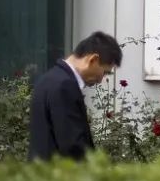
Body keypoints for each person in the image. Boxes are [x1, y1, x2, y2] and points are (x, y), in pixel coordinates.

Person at [28, 31, 122, 160]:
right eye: (105, 72)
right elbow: (72, 147)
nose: (101, 80)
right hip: (59, 171)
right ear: (93, 60)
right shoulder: (65, 86)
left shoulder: (48, 80)